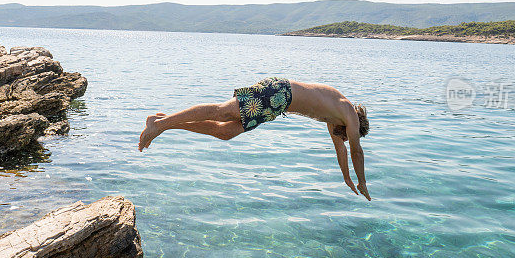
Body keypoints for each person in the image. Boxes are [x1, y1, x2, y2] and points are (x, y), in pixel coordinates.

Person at [138, 77, 371, 200]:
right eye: (350, 136)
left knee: (225, 132)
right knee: (222, 111)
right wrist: (363, 182)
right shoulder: (348, 112)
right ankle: (158, 124)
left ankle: (165, 123)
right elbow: (355, 151)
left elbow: (340, 150)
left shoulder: (335, 117)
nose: (345, 137)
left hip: (278, 105)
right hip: (279, 93)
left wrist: (347, 179)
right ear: (356, 125)